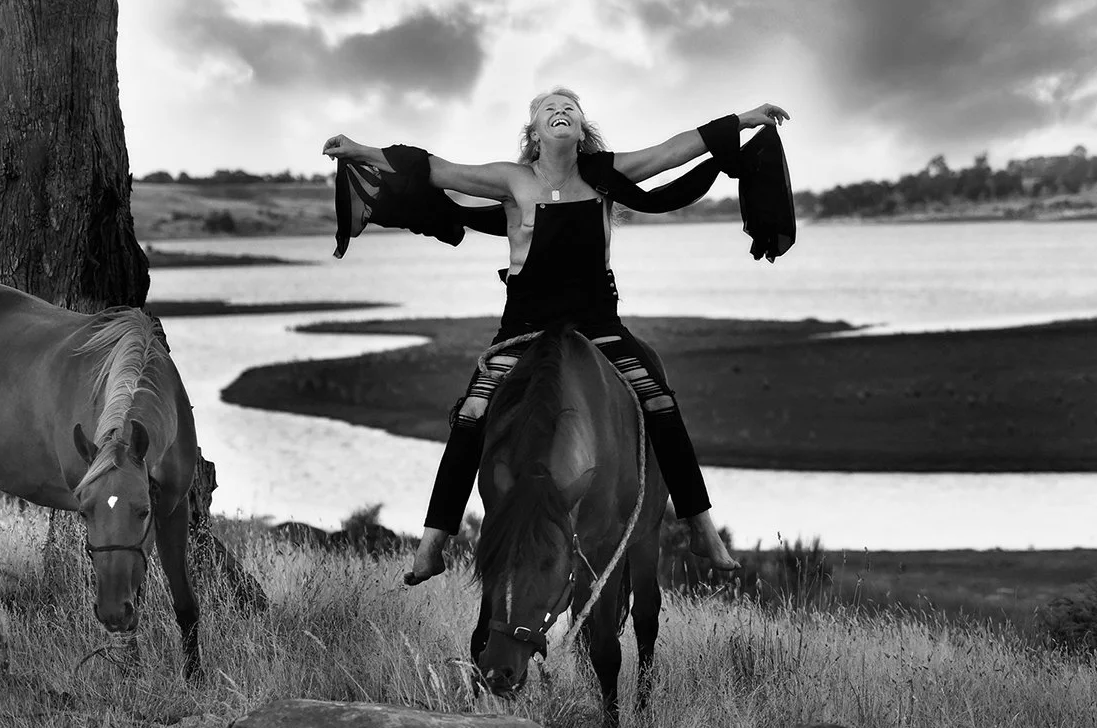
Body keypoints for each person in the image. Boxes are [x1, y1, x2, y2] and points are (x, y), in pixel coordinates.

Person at [323, 89, 791, 585]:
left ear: (582, 127)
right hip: (523, 331)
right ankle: (434, 543)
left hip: (599, 327)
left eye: (569, 107)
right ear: (534, 132)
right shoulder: (512, 180)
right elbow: (435, 168)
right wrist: (359, 150)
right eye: (549, 109)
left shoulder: (606, 177)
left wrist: (742, 119)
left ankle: (701, 527)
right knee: (471, 414)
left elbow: (673, 150)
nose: (560, 111)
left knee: (661, 403)